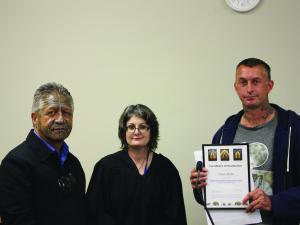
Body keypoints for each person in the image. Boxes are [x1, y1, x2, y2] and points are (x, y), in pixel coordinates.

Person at [190, 58, 300, 225]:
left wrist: (273, 202)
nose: (249, 89)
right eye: (243, 82)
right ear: (236, 87)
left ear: (269, 86)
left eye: (256, 82)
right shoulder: (223, 134)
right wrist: (201, 185)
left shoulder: (293, 129)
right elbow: (212, 198)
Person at [86, 104, 187, 225]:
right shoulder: (106, 167)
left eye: (143, 127)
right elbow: (95, 212)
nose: (137, 131)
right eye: (131, 127)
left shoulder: (166, 169)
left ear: (152, 131)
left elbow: (175, 215)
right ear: (124, 131)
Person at [0, 82, 86, 225]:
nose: (60, 119)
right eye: (51, 112)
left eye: (66, 112)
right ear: (35, 118)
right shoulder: (15, 164)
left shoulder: (74, 164)